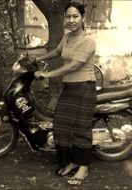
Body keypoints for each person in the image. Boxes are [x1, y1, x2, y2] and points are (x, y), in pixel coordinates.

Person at [34, 2, 96, 186]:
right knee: (61, 125)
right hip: (69, 87)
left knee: (81, 128)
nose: (71, 20)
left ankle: (83, 168)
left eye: (75, 16)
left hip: (84, 87)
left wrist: (47, 74)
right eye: (68, 16)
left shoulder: (88, 40)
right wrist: (37, 59)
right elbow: (56, 51)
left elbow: (74, 65)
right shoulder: (67, 37)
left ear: (83, 18)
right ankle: (71, 161)